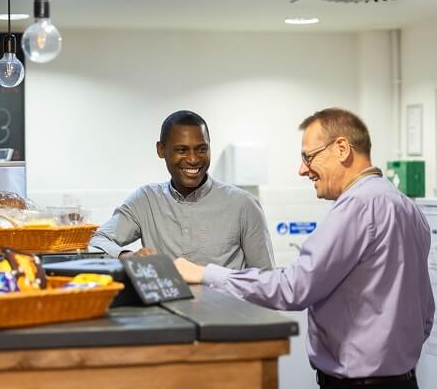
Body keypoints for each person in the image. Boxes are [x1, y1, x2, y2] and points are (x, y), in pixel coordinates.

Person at [174, 107, 435, 389]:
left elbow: (293, 288)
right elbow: (425, 313)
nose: (302, 169)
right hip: (404, 379)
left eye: (308, 157)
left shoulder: (357, 206)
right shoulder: (407, 207)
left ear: (342, 149)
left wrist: (205, 274)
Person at [89, 110, 274, 270]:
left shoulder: (243, 204)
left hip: (229, 310)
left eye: (201, 149)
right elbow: (96, 242)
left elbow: (265, 276)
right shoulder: (145, 201)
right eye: (182, 150)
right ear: (161, 150)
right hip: (166, 310)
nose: (193, 159)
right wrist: (127, 256)